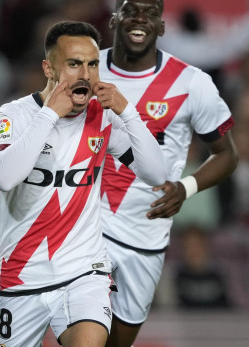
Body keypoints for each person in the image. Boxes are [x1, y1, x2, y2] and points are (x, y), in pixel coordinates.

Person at [0, 21, 165, 347]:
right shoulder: (14, 116)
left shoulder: (104, 116)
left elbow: (156, 173)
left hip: (83, 272)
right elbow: (4, 177)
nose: (86, 74)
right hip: (21, 275)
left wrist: (129, 112)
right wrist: (50, 114)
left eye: (92, 64)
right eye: (74, 64)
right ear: (48, 68)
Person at [98, 1, 238, 346]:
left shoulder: (193, 83)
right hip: (89, 226)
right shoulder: (85, 68)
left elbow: (227, 155)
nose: (140, 19)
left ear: (162, 26)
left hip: (147, 236)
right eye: (131, 9)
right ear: (115, 17)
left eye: (150, 13)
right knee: (84, 334)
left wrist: (185, 188)